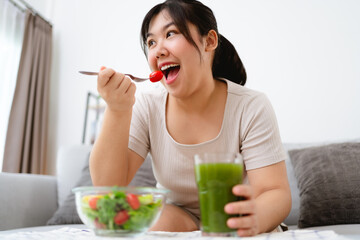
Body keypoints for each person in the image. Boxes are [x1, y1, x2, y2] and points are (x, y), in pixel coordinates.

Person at [90, 0, 291, 236]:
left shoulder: (250, 106)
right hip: (178, 216)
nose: (158, 49)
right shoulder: (147, 106)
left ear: (210, 41)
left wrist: (255, 216)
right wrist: (117, 110)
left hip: (239, 218)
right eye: (151, 42)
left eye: (171, 33)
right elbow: (107, 189)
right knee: (146, 220)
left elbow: (275, 193)